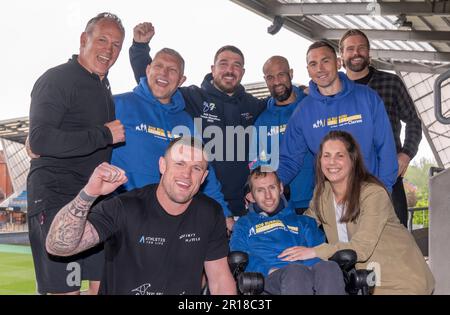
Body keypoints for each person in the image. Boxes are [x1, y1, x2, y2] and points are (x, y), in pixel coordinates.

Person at [45, 137, 237, 295]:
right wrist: (89, 193)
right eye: (179, 163)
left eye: (196, 168)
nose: (187, 174)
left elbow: (220, 279)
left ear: (203, 177)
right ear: (163, 165)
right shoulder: (124, 207)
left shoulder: (210, 212)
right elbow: (58, 247)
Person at [27, 12, 126, 295]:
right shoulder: (57, 78)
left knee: (102, 287)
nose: (109, 49)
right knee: (66, 292)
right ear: (84, 39)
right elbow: (39, 139)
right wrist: (104, 135)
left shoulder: (102, 87)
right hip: (57, 198)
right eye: (103, 39)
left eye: (116, 44)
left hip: (95, 202)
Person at [129, 22, 267, 223]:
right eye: (223, 63)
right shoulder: (192, 97)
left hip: (242, 204)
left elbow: (279, 103)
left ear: (243, 73)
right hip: (200, 201)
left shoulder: (252, 105)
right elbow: (157, 83)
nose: (230, 70)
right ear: (212, 68)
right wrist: (140, 48)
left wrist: (302, 93)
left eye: (236, 65)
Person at [296, 130, 434, 294]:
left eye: (339, 155)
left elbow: (361, 248)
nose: (331, 162)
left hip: (402, 282)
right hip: (365, 283)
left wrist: (314, 251)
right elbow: (304, 226)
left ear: (352, 160)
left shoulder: (373, 193)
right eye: (326, 155)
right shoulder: (322, 192)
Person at [111, 47, 232, 218]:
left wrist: (224, 213)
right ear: (148, 70)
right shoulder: (117, 105)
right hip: (123, 215)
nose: (164, 73)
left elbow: (203, 168)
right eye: (159, 66)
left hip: (173, 220)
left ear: (181, 80)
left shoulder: (185, 120)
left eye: (172, 70)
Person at [278, 41, 398, 194]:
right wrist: (271, 186)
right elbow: (289, 160)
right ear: (308, 70)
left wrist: (384, 190)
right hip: (330, 200)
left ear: (338, 62)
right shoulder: (303, 112)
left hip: (369, 193)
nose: (320, 69)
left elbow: (386, 147)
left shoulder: (367, 97)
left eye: (325, 61)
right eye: (313, 64)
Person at [339, 29, 422, 227]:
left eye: (361, 48)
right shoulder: (335, 90)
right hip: (345, 180)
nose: (356, 53)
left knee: (396, 235)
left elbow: (413, 121)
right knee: (351, 240)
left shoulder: (390, 83)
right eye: (350, 49)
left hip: (387, 176)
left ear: (369, 52)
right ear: (341, 55)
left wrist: (406, 154)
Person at [229, 166, 345, 295]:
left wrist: (308, 269)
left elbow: (318, 251)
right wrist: (267, 270)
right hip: (269, 277)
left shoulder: (304, 222)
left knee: (330, 267)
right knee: (295, 272)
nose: (268, 196)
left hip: (307, 272)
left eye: (272, 187)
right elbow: (239, 256)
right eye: (260, 190)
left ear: (281, 188)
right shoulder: (244, 224)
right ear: (250, 196)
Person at [250, 56, 314, 214]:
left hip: (314, 201)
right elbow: (256, 161)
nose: (276, 82)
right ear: (265, 80)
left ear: (291, 74)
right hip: (278, 204)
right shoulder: (262, 119)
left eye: (281, 75)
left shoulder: (311, 106)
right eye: (270, 77)